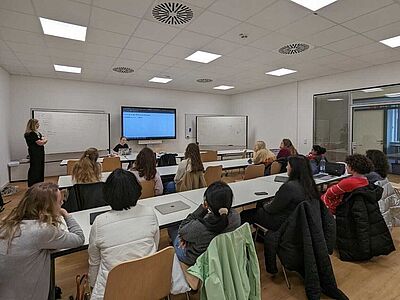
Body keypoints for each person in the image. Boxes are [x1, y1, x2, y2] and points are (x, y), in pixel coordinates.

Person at [0, 182, 84, 300]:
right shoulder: (41, 230)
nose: (62, 204)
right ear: (47, 207)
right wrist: (66, 214)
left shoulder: (9, 223)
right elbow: (79, 238)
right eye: (60, 202)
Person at [88, 169, 159, 299]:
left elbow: (94, 261)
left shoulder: (99, 222)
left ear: (107, 193)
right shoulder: (150, 213)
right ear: (137, 190)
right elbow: (155, 245)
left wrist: (93, 286)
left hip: (113, 291)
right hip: (149, 284)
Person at [170, 181, 240, 266]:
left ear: (207, 203)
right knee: (186, 234)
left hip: (195, 259)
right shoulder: (236, 217)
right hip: (219, 256)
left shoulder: (200, 227)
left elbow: (182, 229)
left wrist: (202, 209)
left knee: (173, 228)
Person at [241, 155, 319, 231]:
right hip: (298, 220)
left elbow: (271, 209)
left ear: (293, 168)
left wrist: (265, 203)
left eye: (288, 165)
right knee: (261, 204)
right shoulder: (310, 184)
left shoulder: (289, 187)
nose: (286, 167)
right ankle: (260, 235)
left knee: (246, 214)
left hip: (282, 221)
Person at [24, 118, 47, 187]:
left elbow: (42, 140)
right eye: (37, 124)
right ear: (33, 125)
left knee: (40, 167)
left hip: (40, 152)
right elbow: (40, 142)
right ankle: (32, 184)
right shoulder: (30, 134)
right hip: (34, 153)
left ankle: (40, 183)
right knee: (35, 168)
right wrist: (45, 140)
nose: (38, 125)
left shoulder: (37, 133)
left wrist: (44, 140)